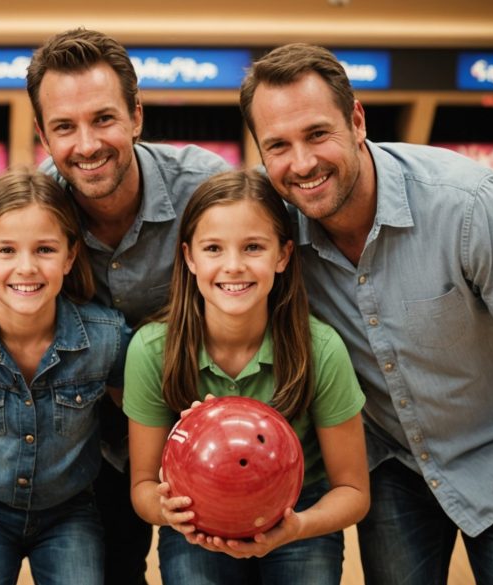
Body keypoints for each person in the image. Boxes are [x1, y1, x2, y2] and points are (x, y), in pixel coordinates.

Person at [0, 28, 232, 584]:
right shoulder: (33, 214)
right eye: (64, 127)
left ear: (137, 116)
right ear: (42, 136)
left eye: (103, 119)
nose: (87, 143)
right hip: (86, 453)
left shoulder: (208, 192)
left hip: (201, 433)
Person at [240, 43, 493, 585]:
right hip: (393, 465)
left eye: (317, 134)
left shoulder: (469, 206)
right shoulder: (274, 234)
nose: (301, 163)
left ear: (356, 120)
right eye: (278, 145)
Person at [123, 168, 369, 584]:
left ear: (283, 255)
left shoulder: (319, 348)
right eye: (214, 248)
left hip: (299, 512)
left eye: (253, 246)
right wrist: (168, 511)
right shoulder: (152, 349)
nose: (233, 266)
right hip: (193, 518)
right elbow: (143, 487)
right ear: (189, 257)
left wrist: (298, 526)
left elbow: (354, 492)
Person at [0, 168, 131, 585]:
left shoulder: (108, 339)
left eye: (45, 250)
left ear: (70, 256)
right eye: (7, 251)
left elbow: (135, 422)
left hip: (72, 509)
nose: (26, 268)